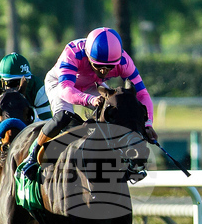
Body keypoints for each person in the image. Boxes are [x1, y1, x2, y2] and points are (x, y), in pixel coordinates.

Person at [20, 27, 157, 180]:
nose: (104, 72)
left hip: (92, 85)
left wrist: (148, 124)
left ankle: (123, 162)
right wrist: (90, 99)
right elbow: (65, 89)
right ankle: (31, 157)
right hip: (60, 84)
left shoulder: (124, 61)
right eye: (98, 66)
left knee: (115, 111)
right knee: (63, 117)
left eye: (109, 67)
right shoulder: (73, 52)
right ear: (88, 57)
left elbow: (143, 94)